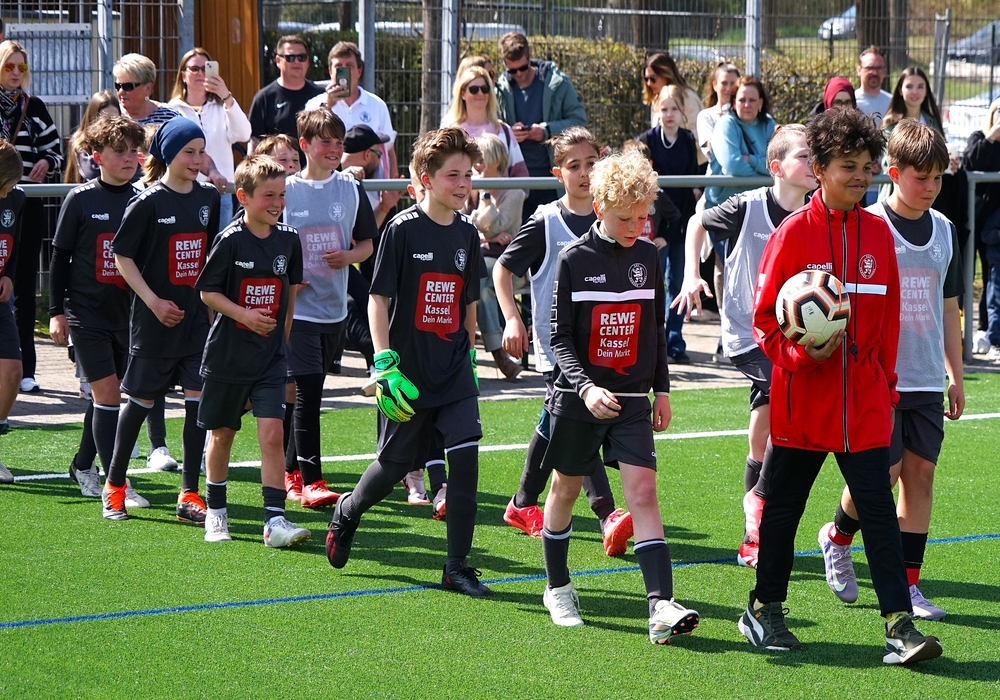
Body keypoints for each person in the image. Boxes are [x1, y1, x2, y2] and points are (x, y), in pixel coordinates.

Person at [740, 107, 942, 665]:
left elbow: (889, 322)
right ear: (821, 169)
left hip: (867, 406)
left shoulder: (879, 234)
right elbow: (764, 322)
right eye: (848, 166)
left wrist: (886, 388)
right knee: (784, 509)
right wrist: (801, 355)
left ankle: (899, 626)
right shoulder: (792, 234)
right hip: (803, 403)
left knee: (877, 512)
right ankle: (764, 608)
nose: (860, 176)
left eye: (866, 166)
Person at [535, 149, 699, 641]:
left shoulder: (647, 256)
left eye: (643, 217)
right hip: (578, 398)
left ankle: (660, 605)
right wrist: (585, 388)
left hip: (631, 401)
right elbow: (559, 337)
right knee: (565, 490)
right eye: (626, 218)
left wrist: (662, 390)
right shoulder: (573, 259)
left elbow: (653, 330)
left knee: (643, 493)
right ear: (599, 207)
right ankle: (557, 587)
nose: (636, 227)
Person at [325, 127, 491, 598]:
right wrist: (384, 364)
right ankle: (348, 511)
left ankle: (456, 567)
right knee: (394, 464)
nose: (463, 183)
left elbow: (467, 302)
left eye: (467, 174)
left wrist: (471, 355)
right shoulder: (401, 229)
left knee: (466, 461)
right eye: (453, 175)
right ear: (426, 179)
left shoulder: (467, 233)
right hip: (407, 373)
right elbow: (377, 299)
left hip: (454, 369)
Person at [817, 119, 964, 622]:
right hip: (878, 375)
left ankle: (909, 586)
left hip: (926, 377)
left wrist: (955, 375)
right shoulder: (868, 224)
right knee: (885, 474)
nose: (931, 187)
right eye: (922, 177)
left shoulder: (944, 230)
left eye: (938, 178)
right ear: (894, 173)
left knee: (920, 476)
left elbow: (949, 307)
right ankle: (838, 537)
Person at [673, 124, 816, 569]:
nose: (813, 163)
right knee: (785, 397)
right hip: (746, 333)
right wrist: (690, 275)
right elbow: (696, 222)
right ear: (777, 167)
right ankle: (759, 498)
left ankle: (753, 533)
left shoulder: (817, 214)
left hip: (792, 335)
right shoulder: (747, 206)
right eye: (804, 156)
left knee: (766, 421)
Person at [495, 127, 634, 555]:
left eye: (591, 163)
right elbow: (502, 270)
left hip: (604, 345)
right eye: (574, 166)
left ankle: (522, 503)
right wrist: (512, 319)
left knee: (554, 422)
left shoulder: (612, 218)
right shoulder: (546, 220)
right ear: (559, 174)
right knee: (580, 421)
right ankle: (607, 512)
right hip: (561, 346)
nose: (585, 172)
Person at [102, 117, 220, 523]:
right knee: (140, 403)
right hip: (154, 324)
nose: (197, 159)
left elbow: (207, 256)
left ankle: (189, 495)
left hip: (194, 322)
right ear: (169, 154)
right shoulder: (147, 201)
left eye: (201, 151)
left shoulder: (208, 197)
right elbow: (122, 256)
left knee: (197, 404)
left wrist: (210, 306)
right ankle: (114, 485)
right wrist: (153, 302)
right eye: (189, 152)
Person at [196, 154, 311, 547]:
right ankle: (216, 513)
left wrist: (281, 340)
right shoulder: (230, 240)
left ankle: (274, 521)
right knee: (222, 434)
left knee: (273, 434)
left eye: (281, 195)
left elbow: (289, 296)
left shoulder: (289, 239)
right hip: (228, 358)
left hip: (270, 359)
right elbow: (207, 292)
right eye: (268, 196)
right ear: (243, 197)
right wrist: (244, 315)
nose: (277, 203)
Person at [47, 115, 149, 506]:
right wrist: (56, 312)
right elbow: (60, 258)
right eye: (119, 151)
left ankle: (82, 465)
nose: (128, 158)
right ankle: (116, 483)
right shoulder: (80, 198)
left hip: (128, 316)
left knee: (105, 400)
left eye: (134, 151)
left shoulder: (143, 199)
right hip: (85, 313)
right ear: (97, 156)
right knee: (107, 395)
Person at [282, 109, 376, 508]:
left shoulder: (350, 188)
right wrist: (286, 276)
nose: (335, 149)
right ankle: (312, 482)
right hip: (298, 312)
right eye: (326, 142)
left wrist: (349, 256)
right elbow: (259, 236)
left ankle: (289, 470)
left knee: (307, 389)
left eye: (339, 143)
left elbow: (367, 243)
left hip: (334, 311)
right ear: (305, 145)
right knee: (307, 392)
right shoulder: (284, 189)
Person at [0, 40, 63, 395]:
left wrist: (46, 162)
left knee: (23, 285)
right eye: (9, 66)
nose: (15, 73)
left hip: (28, 202)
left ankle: (26, 368)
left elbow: (56, 151)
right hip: (0, 202)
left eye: (21, 67)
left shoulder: (34, 106)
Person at [495, 32, 586, 222]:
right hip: (515, 184)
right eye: (512, 71)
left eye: (522, 67)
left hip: (552, 181)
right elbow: (491, 127)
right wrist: (509, 132)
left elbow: (579, 120)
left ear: (530, 55)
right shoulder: (500, 89)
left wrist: (546, 131)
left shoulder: (557, 83)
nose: (518, 74)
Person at [639, 85, 700, 363]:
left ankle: (675, 340)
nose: (669, 114)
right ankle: (653, 340)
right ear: (657, 112)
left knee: (678, 281)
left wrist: (685, 219)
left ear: (683, 111)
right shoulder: (648, 139)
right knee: (654, 281)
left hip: (682, 222)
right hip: (657, 226)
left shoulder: (687, 139)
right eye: (664, 109)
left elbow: (692, 180)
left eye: (674, 108)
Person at [168, 48, 252, 226]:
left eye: (206, 68)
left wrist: (226, 96)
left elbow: (244, 134)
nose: (200, 73)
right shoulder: (172, 110)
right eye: (194, 69)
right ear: (183, 75)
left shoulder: (223, 107)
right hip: (185, 192)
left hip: (221, 192)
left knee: (219, 243)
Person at [466, 133, 524, 381]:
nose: (475, 166)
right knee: (482, 291)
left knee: (474, 282)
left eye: (480, 160)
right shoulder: (470, 187)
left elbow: (495, 226)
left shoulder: (514, 193)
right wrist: (486, 238)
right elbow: (465, 227)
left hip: (511, 268)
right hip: (483, 264)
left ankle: (465, 351)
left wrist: (485, 197)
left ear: (496, 161)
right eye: (474, 161)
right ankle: (500, 355)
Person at [305, 41, 398, 181]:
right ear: (330, 71)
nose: (344, 71)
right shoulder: (314, 105)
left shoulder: (377, 105)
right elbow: (308, 144)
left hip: (370, 188)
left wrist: (392, 183)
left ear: (359, 71)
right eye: (338, 67)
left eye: (349, 66)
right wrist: (327, 106)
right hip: (326, 183)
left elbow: (388, 149)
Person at [962, 98, 1000, 358]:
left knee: (992, 276)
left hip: (993, 225)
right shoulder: (979, 137)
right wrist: (991, 136)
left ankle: (986, 329)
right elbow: (970, 162)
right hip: (972, 218)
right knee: (965, 274)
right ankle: (963, 330)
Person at [443, 66, 529, 179]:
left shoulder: (504, 131)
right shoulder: (450, 133)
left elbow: (521, 175)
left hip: (500, 191)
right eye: (474, 89)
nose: (480, 93)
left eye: (485, 89)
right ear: (463, 93)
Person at [705, 76, 776, 208]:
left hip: (760, 204)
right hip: (724, 206)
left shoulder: (769, 124)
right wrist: (764, 176)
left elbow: (777, 165)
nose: (747, 105)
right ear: (734, 102)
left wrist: (750, 159)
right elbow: (733, 166)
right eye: (742, 100)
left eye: (752, 100)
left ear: (760, 102)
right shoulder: (725, 124)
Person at [249, 35, 323, 156]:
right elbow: (255, 142)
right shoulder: (264, 98)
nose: (297, 62)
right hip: (276, 167)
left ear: (308, 61)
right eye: (290, 58)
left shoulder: (320, 95)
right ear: (278, 61)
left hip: (315, 167)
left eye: (301, 57)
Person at [878, 67, 944, 201]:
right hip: (895, 195)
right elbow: (888, 161)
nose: (915, 92)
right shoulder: (890, 124)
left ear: (926, 91)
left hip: (928, 198)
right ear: (900, 90)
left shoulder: (933, 121)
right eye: (909, 86)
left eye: (920, 87)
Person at [0, 142, 24, 484]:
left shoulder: (16, 199)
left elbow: (15, 245)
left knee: (13, 369)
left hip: (1, 301)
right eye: (5, 185)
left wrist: (9, 276)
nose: (9, 192)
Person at [641, 53, 705, 164]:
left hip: (693, 166)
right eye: (646, 79)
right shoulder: (656, 99)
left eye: (653, 78)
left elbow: (698, 139)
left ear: (666, 75)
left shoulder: (688, 98)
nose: (649, 83)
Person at [341, 124, 400, 229]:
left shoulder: (327, 174)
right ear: (367, 154)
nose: (379, 162)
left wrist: (384, 208)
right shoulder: (332, 181)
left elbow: (364, 235)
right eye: (379, 155)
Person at [854, 46, 892, 206]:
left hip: (888, 185)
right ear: (859, 70)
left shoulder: (894, 103)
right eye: (869, 68)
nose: (874, 72)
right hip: (857, 185)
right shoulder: (850, 102)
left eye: (879, 68)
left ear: (885, 71)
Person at [64, 90, 120, 184]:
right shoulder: (81, 144)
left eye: (115, 119)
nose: (110, 124)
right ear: (93, 118)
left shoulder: (122, 141)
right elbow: (93, 173)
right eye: (104, 120)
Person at [696, 62, 740, 162]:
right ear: (715, 85)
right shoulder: (706, 116)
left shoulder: (746, 115)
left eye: (733, 84)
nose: (728, 88)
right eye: (724, 83)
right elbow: (714, 149)